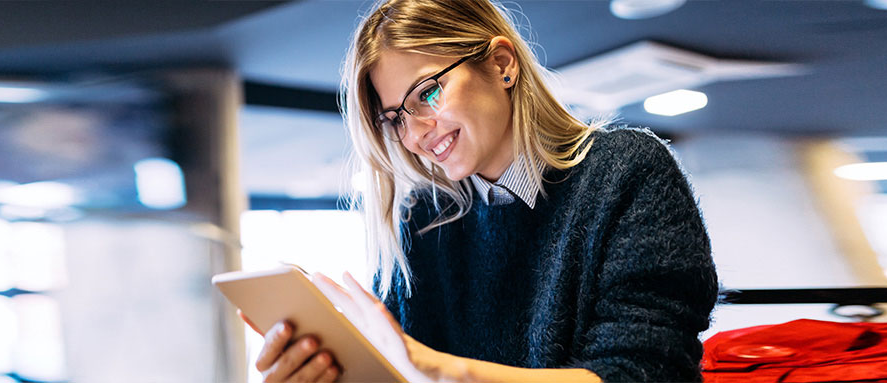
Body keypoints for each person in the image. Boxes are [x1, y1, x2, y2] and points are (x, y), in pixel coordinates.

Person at [239, 0, 720, 382]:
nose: (416, 133)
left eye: (427, 93)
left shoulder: (626, 174)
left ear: (502, 64)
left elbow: (644, 373)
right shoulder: (421, 220)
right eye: (395, 118)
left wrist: (437, 369)